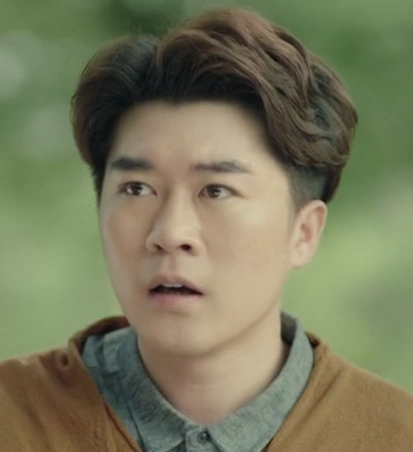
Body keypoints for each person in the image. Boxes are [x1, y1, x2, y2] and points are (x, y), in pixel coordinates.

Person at [1, 6, 412, 452]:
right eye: (137, 188)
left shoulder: (393, 435)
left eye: (216, 191)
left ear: (304, 232)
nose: (170, 232)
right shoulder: (14, 419)